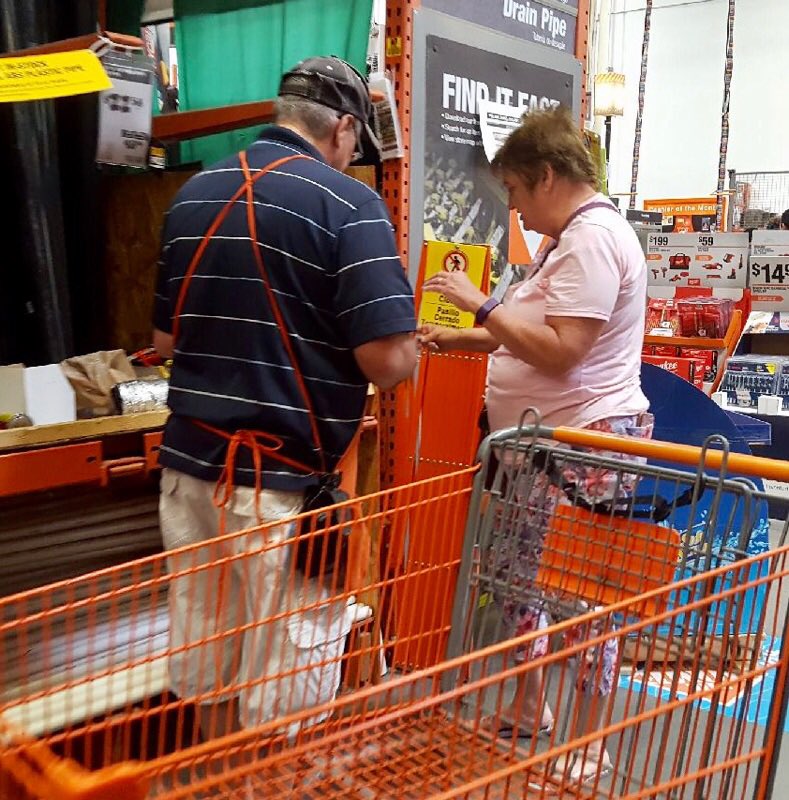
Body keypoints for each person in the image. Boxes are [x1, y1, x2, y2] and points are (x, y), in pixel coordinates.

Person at [152, 56, 417, 740]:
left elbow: (163, 334)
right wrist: (411, 340)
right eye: (356, 143)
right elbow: (387, 364)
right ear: (344, 127)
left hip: (189, 474)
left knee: (207, 655)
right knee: (283, 687)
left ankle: (210, 783)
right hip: (280, 491)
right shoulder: (346, 203)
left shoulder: (192, 196)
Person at [421, 107, 651, 788]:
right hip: (539, 448)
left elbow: (563, 351)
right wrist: (463, 338)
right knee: (519, 582)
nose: (514, 208)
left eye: (516, 193)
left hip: (584, 451)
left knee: (580, 596)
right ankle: (529, 705)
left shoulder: (592, 240)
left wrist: (478, 305)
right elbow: (533, 327)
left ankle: (592, 742)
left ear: (545, 176)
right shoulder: (567, 242)